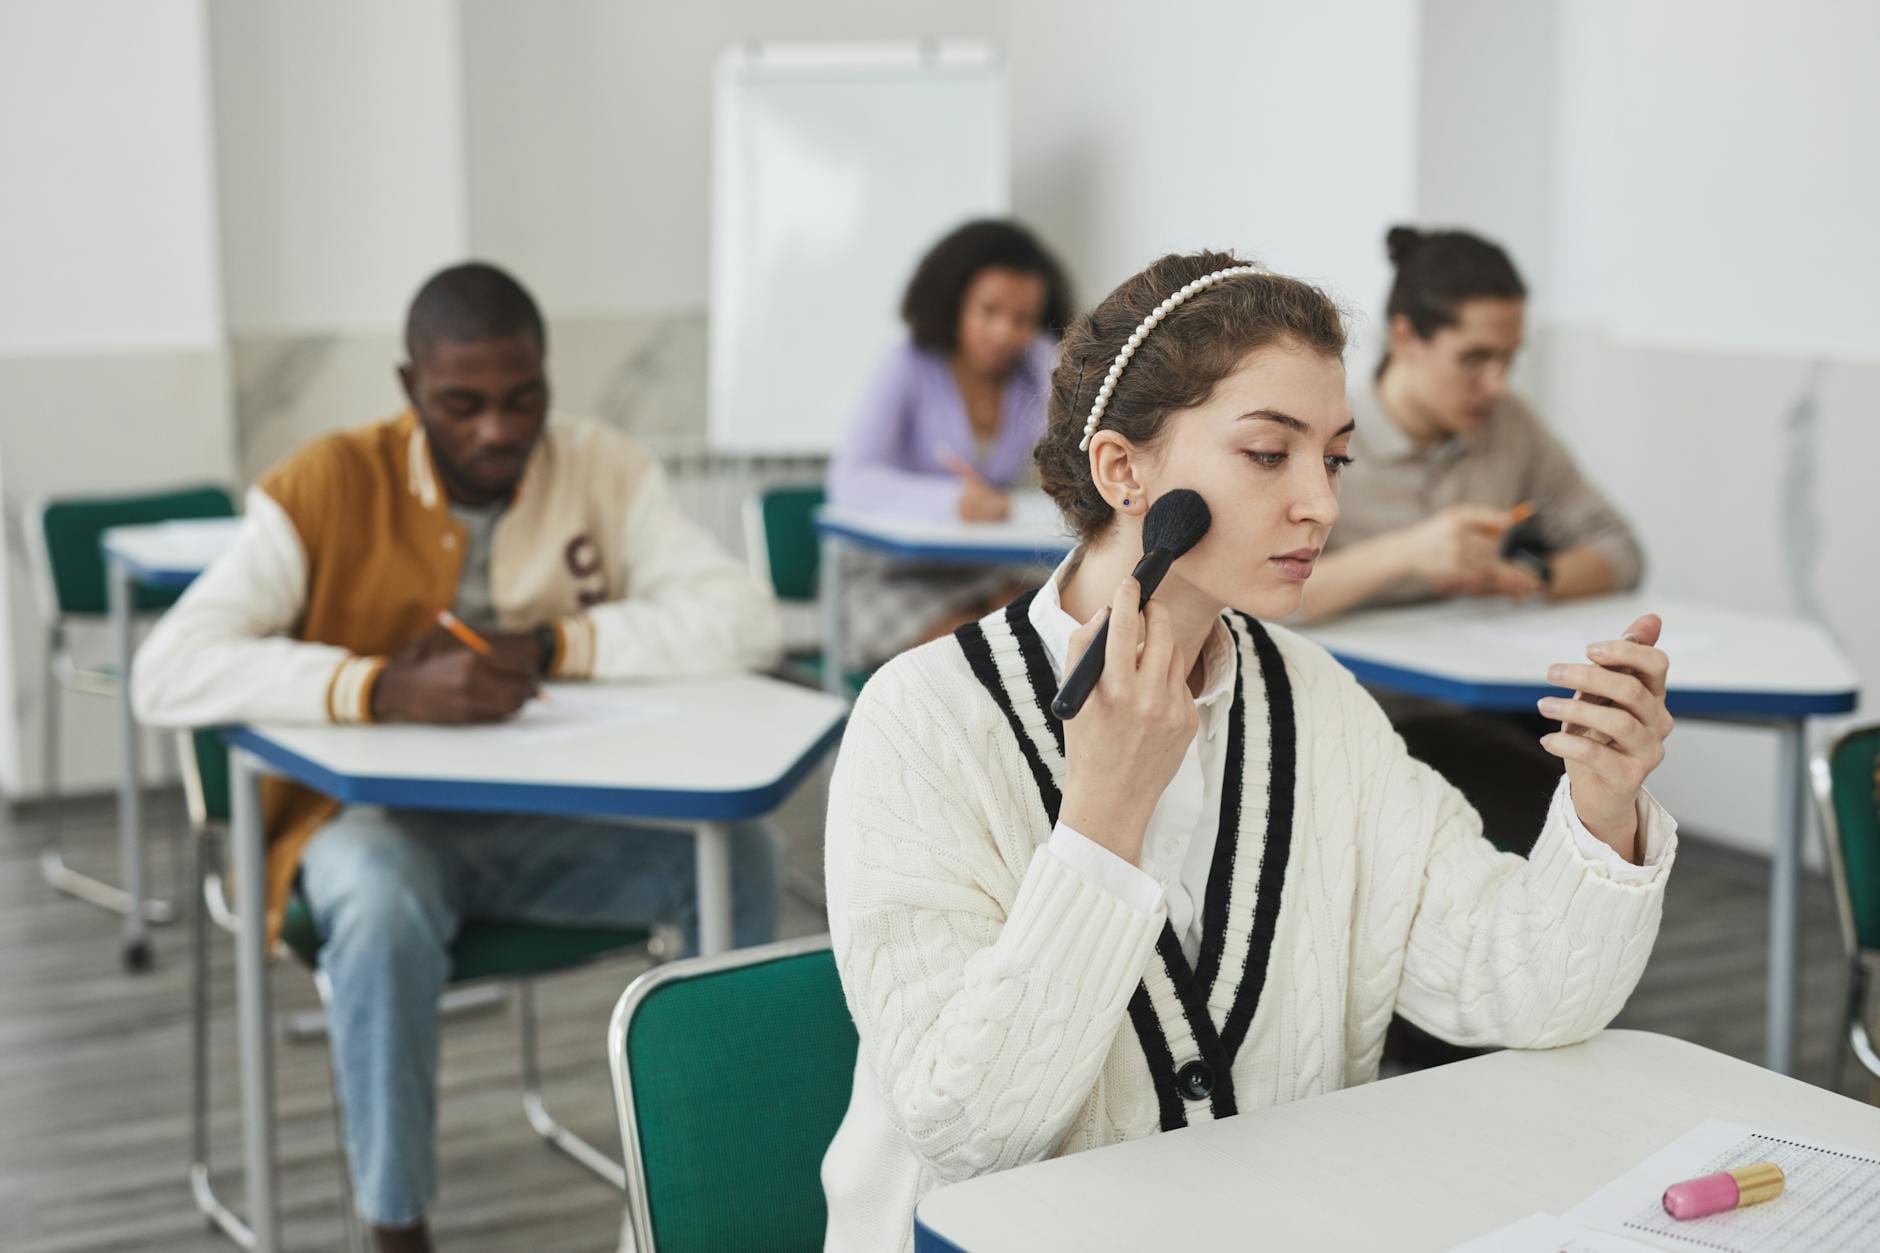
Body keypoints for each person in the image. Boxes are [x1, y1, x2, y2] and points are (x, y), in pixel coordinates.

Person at [819, 251, 1678, 1253]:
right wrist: (1100, 821)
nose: (1320, 501)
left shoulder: (1314, 701)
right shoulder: (919, 721)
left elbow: (1522, 985)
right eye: (1269, 454)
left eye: (1335, 458)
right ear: (1121, 470)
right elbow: (969, 1129)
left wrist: (1600, 804)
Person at [133, 262, 783, 1253]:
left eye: (522, 399)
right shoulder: (327, 483)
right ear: (409, 390)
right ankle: (395, 1225)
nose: (497, 429)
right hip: (372, 832)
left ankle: (694, 1208)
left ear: (547, 379)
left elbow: (745, 617)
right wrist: (378, 684)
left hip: (558, 827)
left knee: (739, 859)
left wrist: (562, 645)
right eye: (462, 404)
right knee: (384, 899)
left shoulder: (601, 467)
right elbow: (167, 670)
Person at [1304, 226, 1648, 852]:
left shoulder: (1509, 428)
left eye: (1510, 358)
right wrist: (1409, 552)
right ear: (1406, 337)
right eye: (1475, 359)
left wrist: (1539, 577)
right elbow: (1258, 597)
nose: (1497, 382)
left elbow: (1618, 547)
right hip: (1354, 719)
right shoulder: (1329, 438)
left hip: (1479, 711)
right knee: (1550, 817)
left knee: (1594, 800)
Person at [826, 218, 1073, 669]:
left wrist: (1053, 353)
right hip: (892, 578)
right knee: (978, 651)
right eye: (989, 311)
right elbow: (850, 480)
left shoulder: (1029, 374)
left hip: (980, 569)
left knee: (1048, 616)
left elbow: (1074, 428)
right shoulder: (906, 365)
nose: (1005, 332)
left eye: (1023, 320)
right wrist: (952, 502)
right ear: (954, 301)